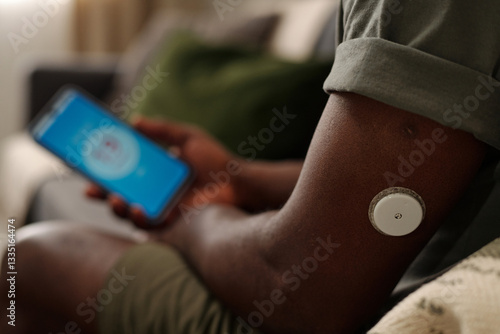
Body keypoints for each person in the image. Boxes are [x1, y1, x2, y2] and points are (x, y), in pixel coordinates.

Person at [2, 0, 499, 333]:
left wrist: (188, 219)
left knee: (27, 257)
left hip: (382, 301)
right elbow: (413, 180)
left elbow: (298, 292)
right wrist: (243, 178)